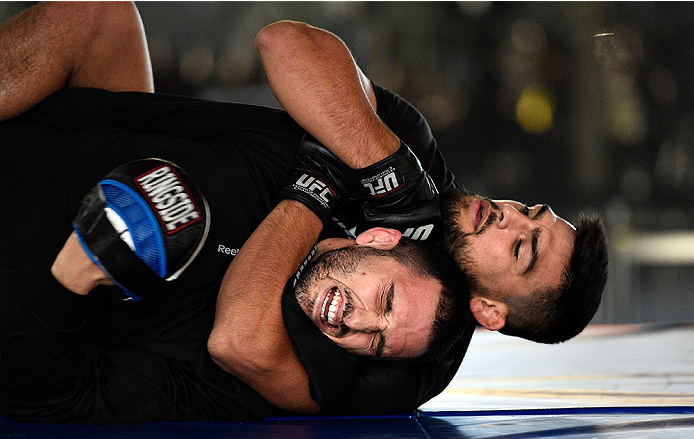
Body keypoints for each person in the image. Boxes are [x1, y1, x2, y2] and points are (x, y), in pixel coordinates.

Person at [0, 1, 472, 423]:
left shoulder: (238, 385)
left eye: (378, 344)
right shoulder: (305, 161)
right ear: (376, 238)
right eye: (384, 300)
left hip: (19, 283)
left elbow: (46, 396)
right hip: (32, 145)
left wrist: (69, 281)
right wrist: (324, 179)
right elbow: (294, 51)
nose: (360, 322)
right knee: (98, 11)